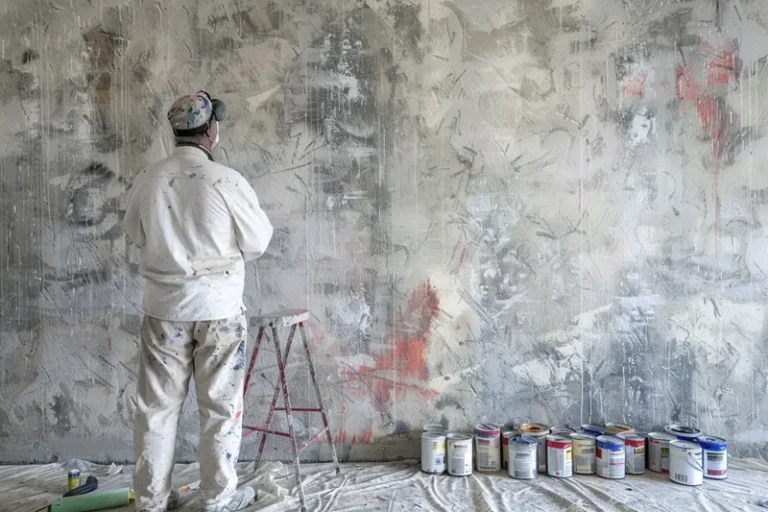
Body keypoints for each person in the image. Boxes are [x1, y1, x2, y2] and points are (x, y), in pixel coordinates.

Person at [123, 91, 274, 512]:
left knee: (155, 410)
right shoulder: (227, 181)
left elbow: (135, 233)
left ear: (175, 133)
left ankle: (151, 502)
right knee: (221, 409)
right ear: (211, 132)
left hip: (164, 310)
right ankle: (216, 500)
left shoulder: (148, 179)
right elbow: (258, 241)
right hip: (219, 311)